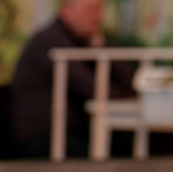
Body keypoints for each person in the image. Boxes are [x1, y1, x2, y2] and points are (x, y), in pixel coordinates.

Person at [9, 0, 135, 158]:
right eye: (91, 10)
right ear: (67, 11)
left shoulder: (80, 40)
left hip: (68, 134)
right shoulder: (52, 42)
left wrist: (100, 47)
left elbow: (129, 83)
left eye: (99, 10)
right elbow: (96, 89)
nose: (98, 17)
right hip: (44, 139)